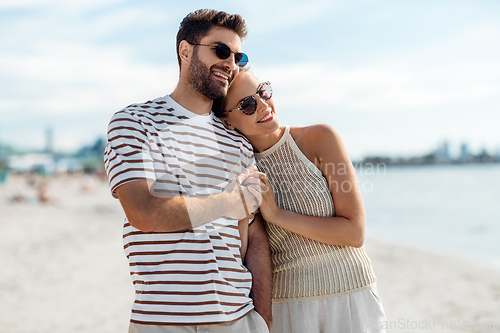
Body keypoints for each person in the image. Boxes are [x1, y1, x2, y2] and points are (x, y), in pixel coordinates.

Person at [104, 10, 271, 333]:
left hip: (239, 320)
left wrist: (264, 318)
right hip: (162, 322)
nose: (230, 63)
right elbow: (144, 213)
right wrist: (225, 202)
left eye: (238, 56)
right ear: (185, 50)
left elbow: (255, 238)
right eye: (220, 51)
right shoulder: (135, 123)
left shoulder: (238, 143)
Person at [212, 68, 386, 333]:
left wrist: (277, 215)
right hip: (288, 308)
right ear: (227, 121)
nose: (263, 105)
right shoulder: (240, 171)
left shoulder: (320, 139)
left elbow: (354, 232)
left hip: (351, 296)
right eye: (247, 104)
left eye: (263, 91)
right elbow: (243, 253)